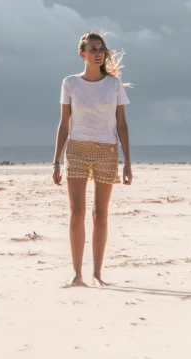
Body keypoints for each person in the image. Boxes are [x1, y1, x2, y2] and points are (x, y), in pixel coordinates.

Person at [52, 31, 132, 287]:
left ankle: (97, 274)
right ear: (82, 54)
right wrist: (56, 162)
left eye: (102, 49)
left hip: (107, 151)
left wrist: (127, 162)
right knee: (77, 213)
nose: (99, 53)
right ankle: (78, 274)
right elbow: (64, 124)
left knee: (101, 214)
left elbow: (122, 124)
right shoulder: (70, 82)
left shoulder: (114, 85)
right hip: (76, 150)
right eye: (93, 48)